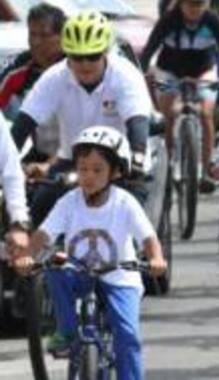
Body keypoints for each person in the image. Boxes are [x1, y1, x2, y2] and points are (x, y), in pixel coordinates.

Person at [16, 126, 167, 378]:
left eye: (98, 170)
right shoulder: (69, 201)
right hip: (79, 272)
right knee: (55, 268)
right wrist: (27, 254)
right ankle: (67, 331)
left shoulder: (124, 202)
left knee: (127, 337)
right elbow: (44, 234)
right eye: (83, 168)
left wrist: (156, 258)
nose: (88, 176)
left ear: (116, 171)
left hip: (120, 277)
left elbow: (148, 237)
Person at [12, 12, 155, 223]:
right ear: (66, 54)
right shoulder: (54, 77)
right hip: (73, 162)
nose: (85, 64)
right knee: (36, 216)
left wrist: (137, 162)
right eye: (77, 57)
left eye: (93, 56)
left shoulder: (125, 76)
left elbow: (137, 123)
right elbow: (23, 124)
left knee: (129, 226)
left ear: (105, 52)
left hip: (121, 165)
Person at [140, 0, 219, 192]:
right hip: (170, 69)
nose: (195, 9)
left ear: (207, 2)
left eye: (200, 3)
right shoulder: (168, 21)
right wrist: (141, 72)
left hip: (203, 69)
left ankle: (206, 167)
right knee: (171, 112)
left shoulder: (213, 21)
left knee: (205, 112)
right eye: (190, 4)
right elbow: (148, 52)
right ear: (180, 2)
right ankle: (172, 164)